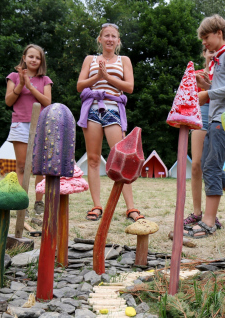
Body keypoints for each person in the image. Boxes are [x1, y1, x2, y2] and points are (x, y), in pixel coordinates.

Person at [183, 14, 225, 238]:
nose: (203, 42)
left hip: (223, 120)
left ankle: (208, 222)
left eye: (206, 37)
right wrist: (208, 87)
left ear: (219, 33)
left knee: (210, 167)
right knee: (215, 170)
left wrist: (207, 93)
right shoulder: (219, 57)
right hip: (215, 118)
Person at [77, 23, 144, 222]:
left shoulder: (124, 60)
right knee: (93, 159)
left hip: (113, 109)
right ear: (100, 39)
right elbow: (80, 85)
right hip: (92, 110)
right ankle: (97, 206)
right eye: (106, 35)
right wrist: (98, 76)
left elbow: (129, 87)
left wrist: (106, 77)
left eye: (113, 36)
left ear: (118, 41)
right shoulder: (90, 59)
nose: (109, 39)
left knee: (122, 158)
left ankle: (131, 208)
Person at [5, 44, 52, 216]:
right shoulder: (13, 77)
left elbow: (48, 102)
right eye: (30, 56)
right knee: (22, 166)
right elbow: (9, 101)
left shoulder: (45, 80)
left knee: (39, 166)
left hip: (41, 125)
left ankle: (39, 202)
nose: (34, 60)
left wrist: (30, 87)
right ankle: (20, 202)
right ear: (24, 58)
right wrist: (21, 83)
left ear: (41, 61)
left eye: (37, 57)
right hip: (20, 124)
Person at [183, 47, 224, 230]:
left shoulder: (224, 74)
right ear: (204, 53)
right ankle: (197, 212)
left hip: (220, 114)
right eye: (209, 50)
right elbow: (189, 98)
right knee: (196, 163)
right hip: (202, 113)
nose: (212, 53)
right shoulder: (197, 74)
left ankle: (211, 214)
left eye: (216, 50)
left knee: (212, 165)